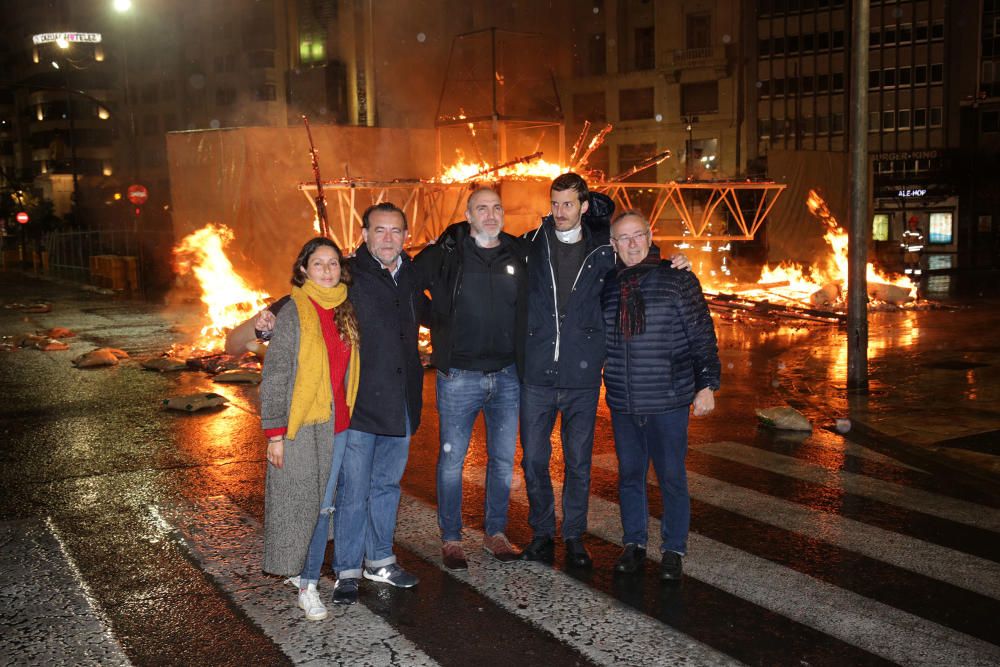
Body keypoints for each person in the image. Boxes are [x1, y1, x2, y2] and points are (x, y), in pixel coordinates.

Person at [520, 173, 690, 568]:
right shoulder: (532, 244)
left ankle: (574, 536)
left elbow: (639, 256)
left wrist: (675, 261)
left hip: (581, 377)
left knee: (578, 463)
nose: (559, 212)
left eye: (568, 204)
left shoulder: (603, 250)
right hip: (537, 375)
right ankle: (543, 532)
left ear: (583, 206)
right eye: (555, 203)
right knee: (533, 460)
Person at [601, 210, 720, 581]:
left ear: (650, 237)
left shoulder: (676, 279)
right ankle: (634, 543)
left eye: (638, 235)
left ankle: (673, 549)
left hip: (667, 399)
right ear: (613, 245)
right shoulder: (608, 285)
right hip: (623, 400)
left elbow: (702, 334)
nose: (632, 244)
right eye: (624, 238)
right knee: (630, 476)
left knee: (671, 476)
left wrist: (707, 385)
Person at [412, 187, 526, 570]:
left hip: (508, 375)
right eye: (482, 208)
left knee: (503, 461)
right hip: (459, 374)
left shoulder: (517, 252)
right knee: (451, 460)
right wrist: (437, 319)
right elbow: (408, 285)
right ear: (468, 214)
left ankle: (495, 533)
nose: (491, 215)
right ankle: (451, 538)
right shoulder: (448, 252)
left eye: (496, 207)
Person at [259, 237, 361, 620]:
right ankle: (308, 585)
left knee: (323, 505)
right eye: (318, 264)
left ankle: (305, 575)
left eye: (333, 263)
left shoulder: (344, 308)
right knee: (311, 507)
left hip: (339, 423)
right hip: (303, 425)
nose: (327, 270)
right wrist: (275, 434)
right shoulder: (293, 311)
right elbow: (276, 375)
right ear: (303, 269)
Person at [329, 202, 426, 605]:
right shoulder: (349, 273)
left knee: (386, 485)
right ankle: (347, 570)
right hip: (361, 403)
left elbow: (440, 313)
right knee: (353, 490)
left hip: (401, 401)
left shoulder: (410, 274)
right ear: (365, 234)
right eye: (379, 230)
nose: (388, 238)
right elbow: (311, 298)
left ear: (406, 236)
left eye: (395, 231)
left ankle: (380, 561)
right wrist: (268, 321)